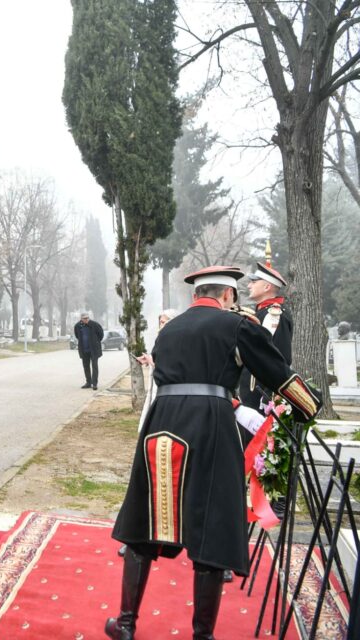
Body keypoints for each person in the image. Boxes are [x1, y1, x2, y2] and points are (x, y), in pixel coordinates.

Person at [106, 266, 322, 640]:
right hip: (210, 425)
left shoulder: (170, 329)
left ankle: (125, 623)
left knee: (146, 520)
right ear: (227, 295)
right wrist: (309, 406)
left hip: (162, 424)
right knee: (213, 525)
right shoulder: (237, 326)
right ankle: (202, 635)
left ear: (196, 295)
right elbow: (277, 372)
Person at [239, 260, 293, 412]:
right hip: (252, 392)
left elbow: (279, 357)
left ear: (267, 287)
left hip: (260, 395)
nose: (249, 286)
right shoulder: (261, 313)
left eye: (254, 282)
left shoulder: (273, 314)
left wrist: (270, 394)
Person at [73, 312, 104, 390]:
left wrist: (95, 341)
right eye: (84, 318)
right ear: (81, 319)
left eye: (87, 318)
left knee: (94, 366)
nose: (86, 320)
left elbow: (101, 335)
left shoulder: (95, 324)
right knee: (86, 366)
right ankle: (88, 383)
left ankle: (95, 384)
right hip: (84, 350)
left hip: (94, 349)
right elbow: (77, 336)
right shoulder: (77, 326)